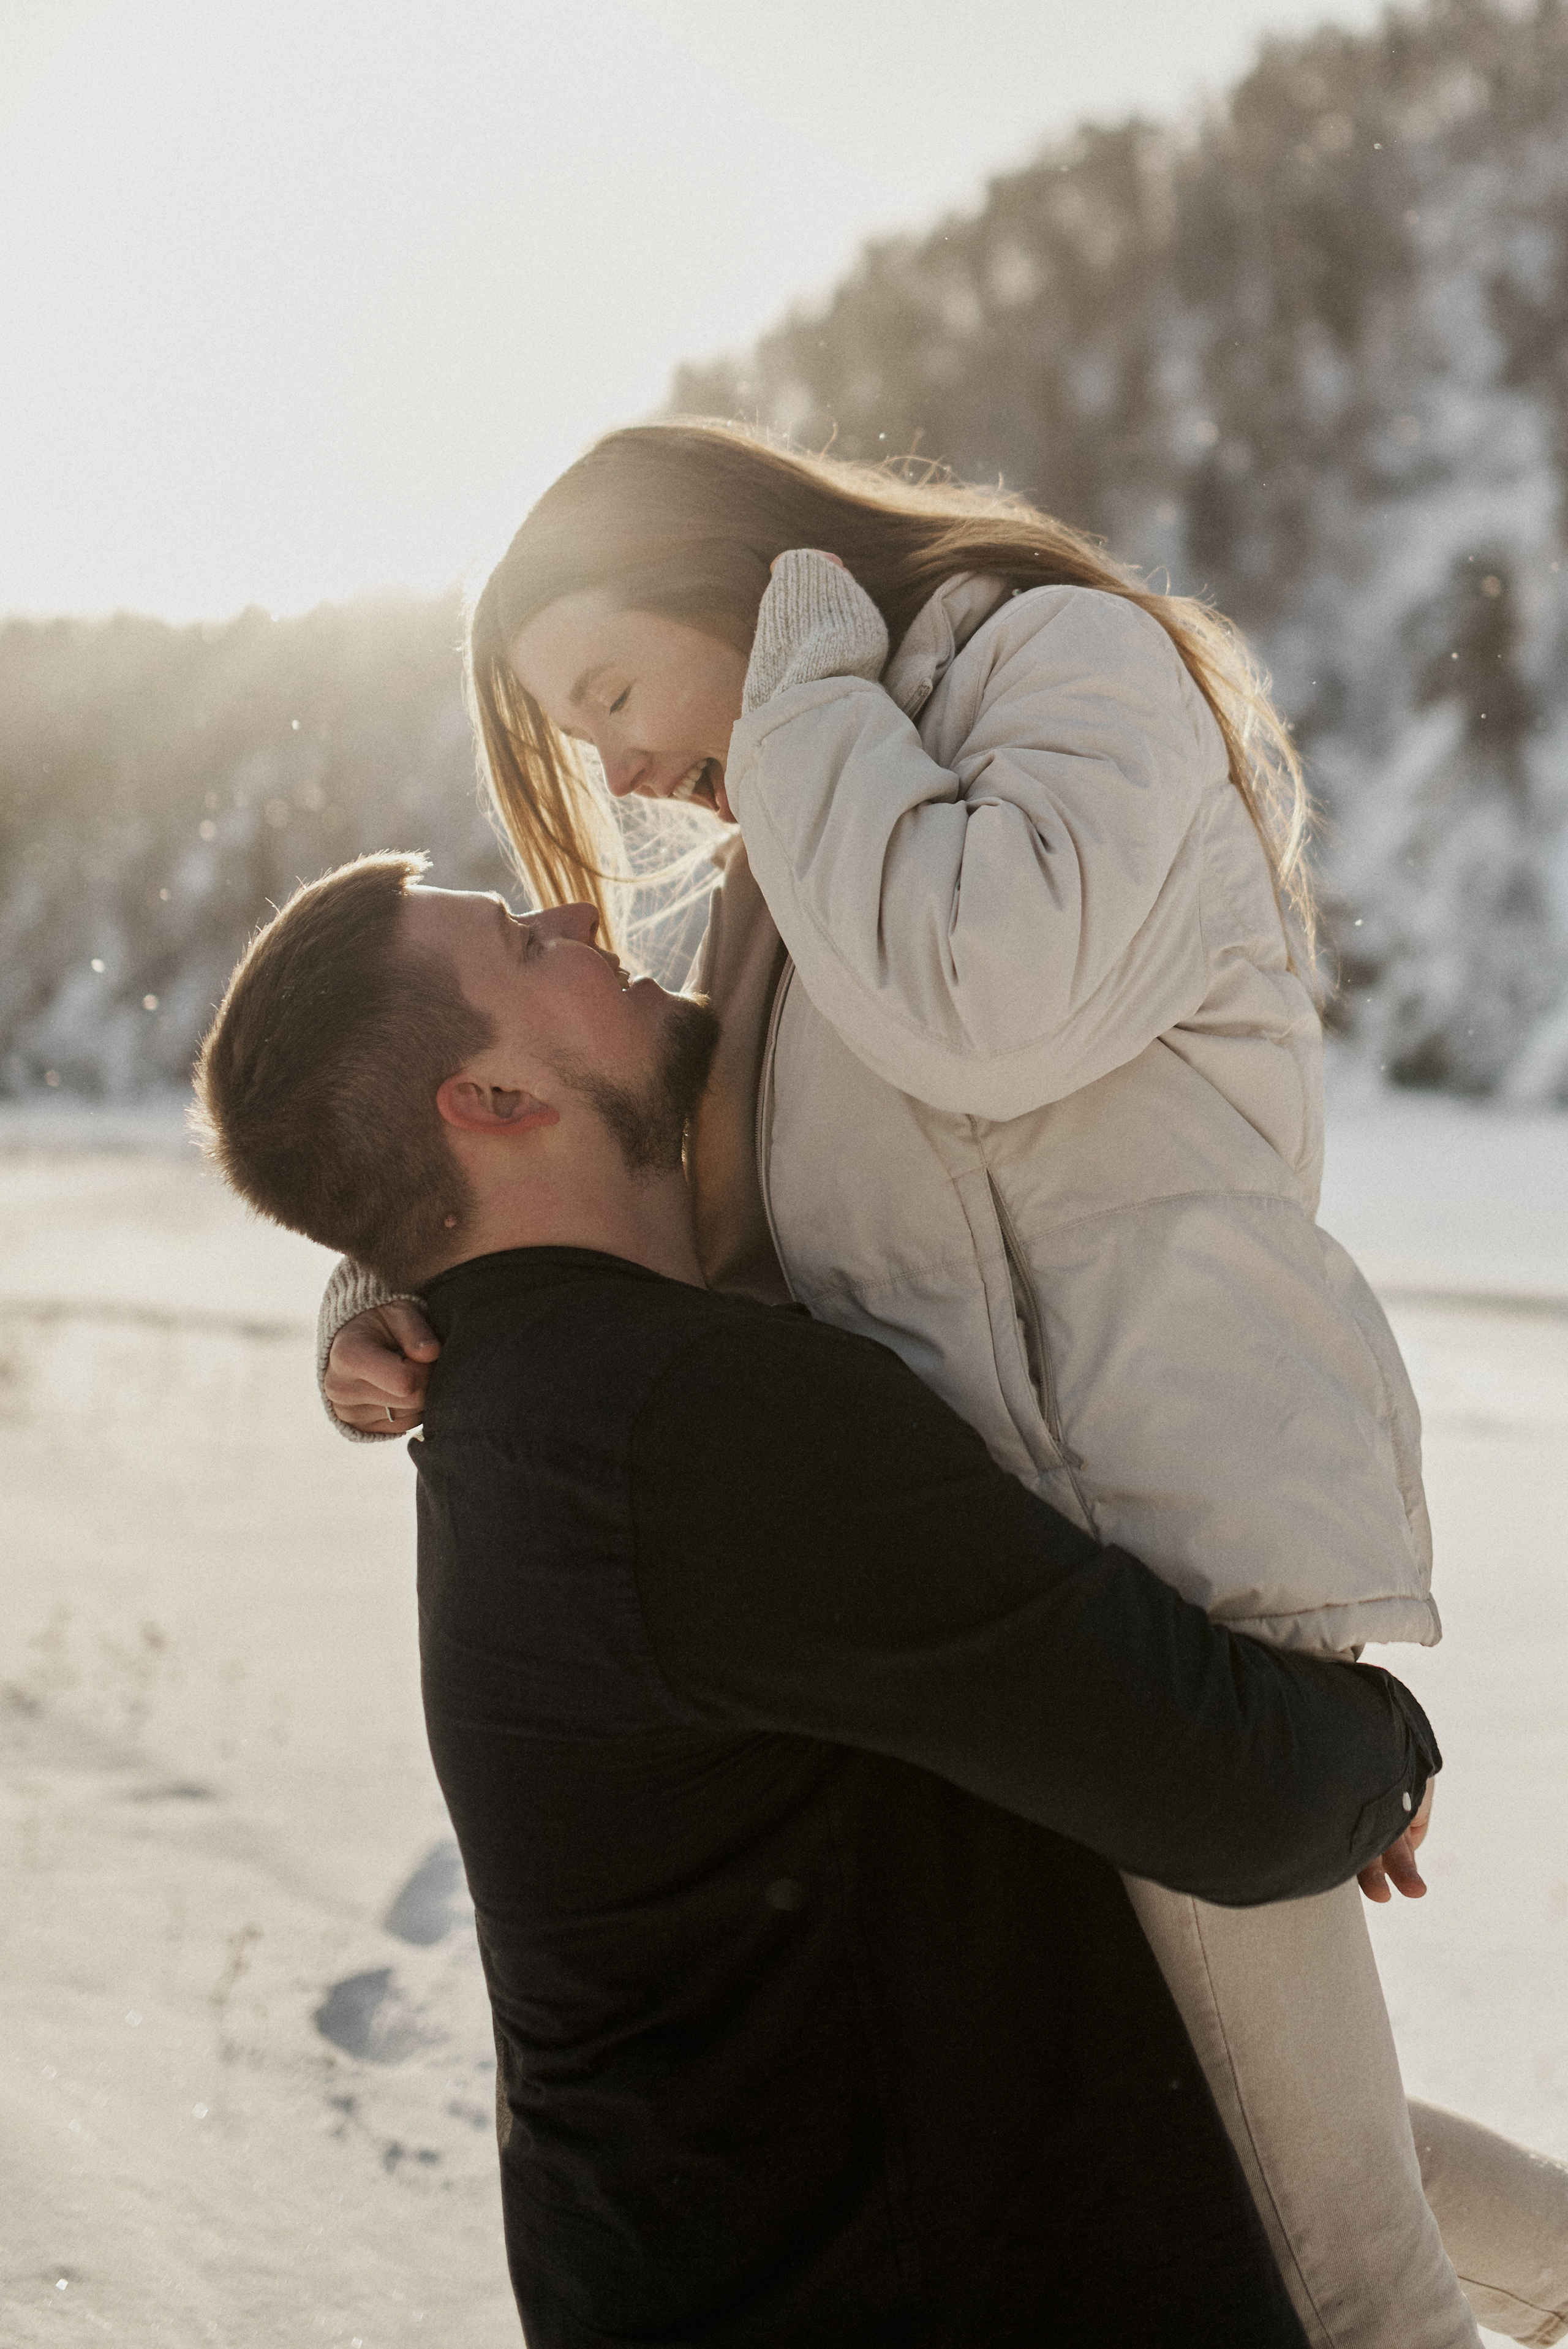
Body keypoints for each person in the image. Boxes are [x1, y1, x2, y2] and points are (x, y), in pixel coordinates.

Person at [320, 426, 1568, 2349]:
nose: (621, 775)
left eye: (615, 696)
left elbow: (989, 1000)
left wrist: (808, 691)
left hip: (1170, 1566)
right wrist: (400, 1280)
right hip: (1001, 1621)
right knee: (1218, 2132)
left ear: (727, 578)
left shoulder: (1058, 666)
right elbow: (621, 1153)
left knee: (1340, 2269)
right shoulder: (796, 851)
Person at [192, 850, 1452, 2347]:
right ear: (496, 1100)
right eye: (524, 943)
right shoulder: (686, 1421)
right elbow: (1230, 1788)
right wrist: (1380, 1751)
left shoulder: (528, 1392)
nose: (578, 913)